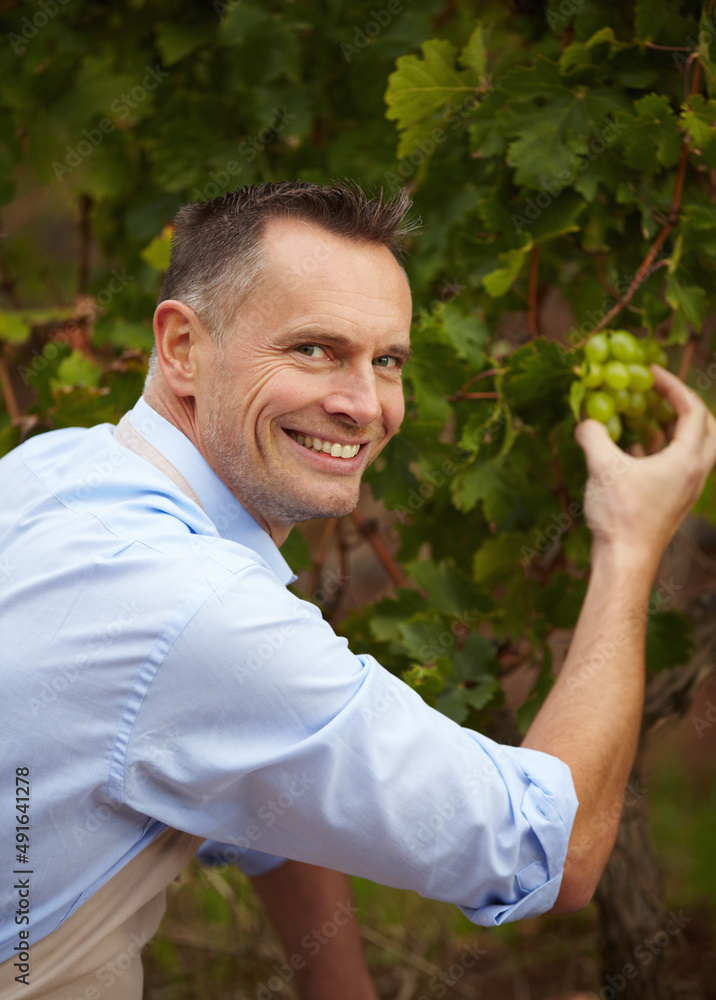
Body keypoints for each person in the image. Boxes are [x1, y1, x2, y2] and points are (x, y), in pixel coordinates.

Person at [1, 181, 714, 1000]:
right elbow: (551, 850)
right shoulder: (201, 615)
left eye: (388, 361)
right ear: (182, 348)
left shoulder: (58, 470)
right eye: (314, 350)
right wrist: (629, 543)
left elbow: (263, 769)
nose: (364, 406)